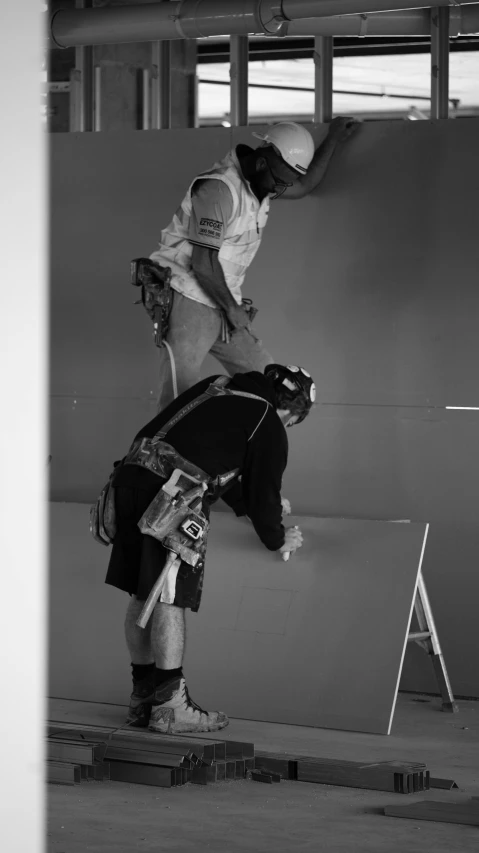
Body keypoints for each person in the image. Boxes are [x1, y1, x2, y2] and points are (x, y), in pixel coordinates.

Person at [104, 363, 316, 734]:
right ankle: (171, 706)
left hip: (129, 483)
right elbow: (263, 488)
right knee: (168, 598)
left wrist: (247, 507)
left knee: (143, 596)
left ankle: (144, 699)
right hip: (169, 498)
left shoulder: (217, 388)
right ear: (292, 412)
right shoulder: (268, 420)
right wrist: (278, 537)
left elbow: (211, 460)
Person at [148, 118, 358, 411]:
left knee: (272, 390)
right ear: (261, 164)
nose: (283, 188)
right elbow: (203, 263)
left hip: (220, 298)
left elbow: (306, 183)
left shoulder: (263, 183)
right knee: (177, 399)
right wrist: (233, 311)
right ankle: (157, 453)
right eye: (280, 181)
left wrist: (334, 138)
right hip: (187, 296)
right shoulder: (219, 188)